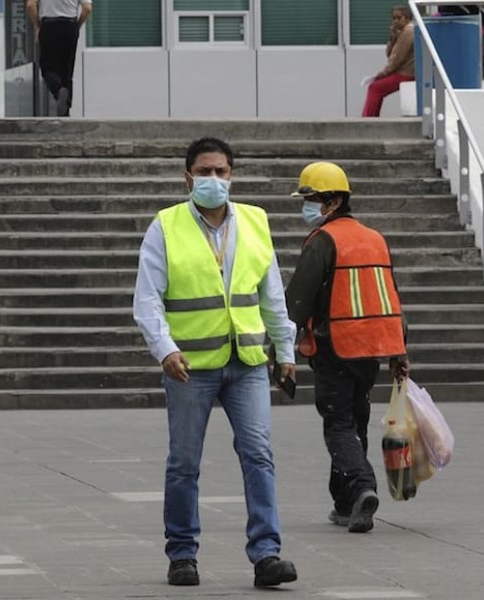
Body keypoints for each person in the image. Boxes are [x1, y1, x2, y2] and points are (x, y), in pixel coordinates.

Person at [133, 137, 298, 589]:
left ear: (232, 175)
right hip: (190, 366)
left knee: (258, 455)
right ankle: (182, 553)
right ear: (187, 178)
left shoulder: (255, 222)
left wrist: (285, 352)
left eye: (221, 172)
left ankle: (267, 554)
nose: (213, 180)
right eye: (204, 172)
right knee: (184, 462)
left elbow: (272, 295)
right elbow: (147, 300)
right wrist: (164, 349)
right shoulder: (165, 227)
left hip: (246, 361)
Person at [284, 162, 410, 533]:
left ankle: (361, 486)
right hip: (371, 351)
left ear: (335, 201)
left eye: (313, 200)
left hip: (334, 347)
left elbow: (297, 301)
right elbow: (392, 298)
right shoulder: (374, 238)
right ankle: (345, 504)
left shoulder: (323, 242)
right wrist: (399, 352)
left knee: (339, 424)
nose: (307, 207)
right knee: (355, 420)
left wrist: (281, 348)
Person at [26, 0, 92, 117]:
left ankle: (58, 91)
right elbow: (87, 9)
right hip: (70, 25)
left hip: (48, 26)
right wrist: (77, 25)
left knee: (47, 68)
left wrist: (37, 26)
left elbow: (30, 5)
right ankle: (65, 111)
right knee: (67, 71)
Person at [362, 5, 415, 117]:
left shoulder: (408, 32)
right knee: (376, 87)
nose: (395, 21)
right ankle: (370, 117)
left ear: (406, 18)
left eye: (398, 18)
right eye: (393, 18)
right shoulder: (403, 32)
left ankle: (368, 119)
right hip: (404, 71)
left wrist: (382, 74)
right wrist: (393, 38)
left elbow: (396, 58)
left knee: (375, 88)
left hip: (406, 73)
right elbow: (389, 54)